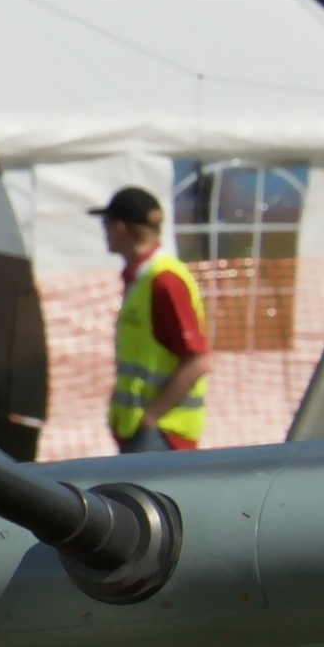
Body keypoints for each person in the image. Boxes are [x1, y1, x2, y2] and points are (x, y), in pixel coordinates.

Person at [99, 185, 210, 453]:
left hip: (163, 434)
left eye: (106, 224)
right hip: (144, 431)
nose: (104, 232)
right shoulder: (143, 278)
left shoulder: (163, 279)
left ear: (120, 227)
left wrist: (150, 417)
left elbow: (197, 362)